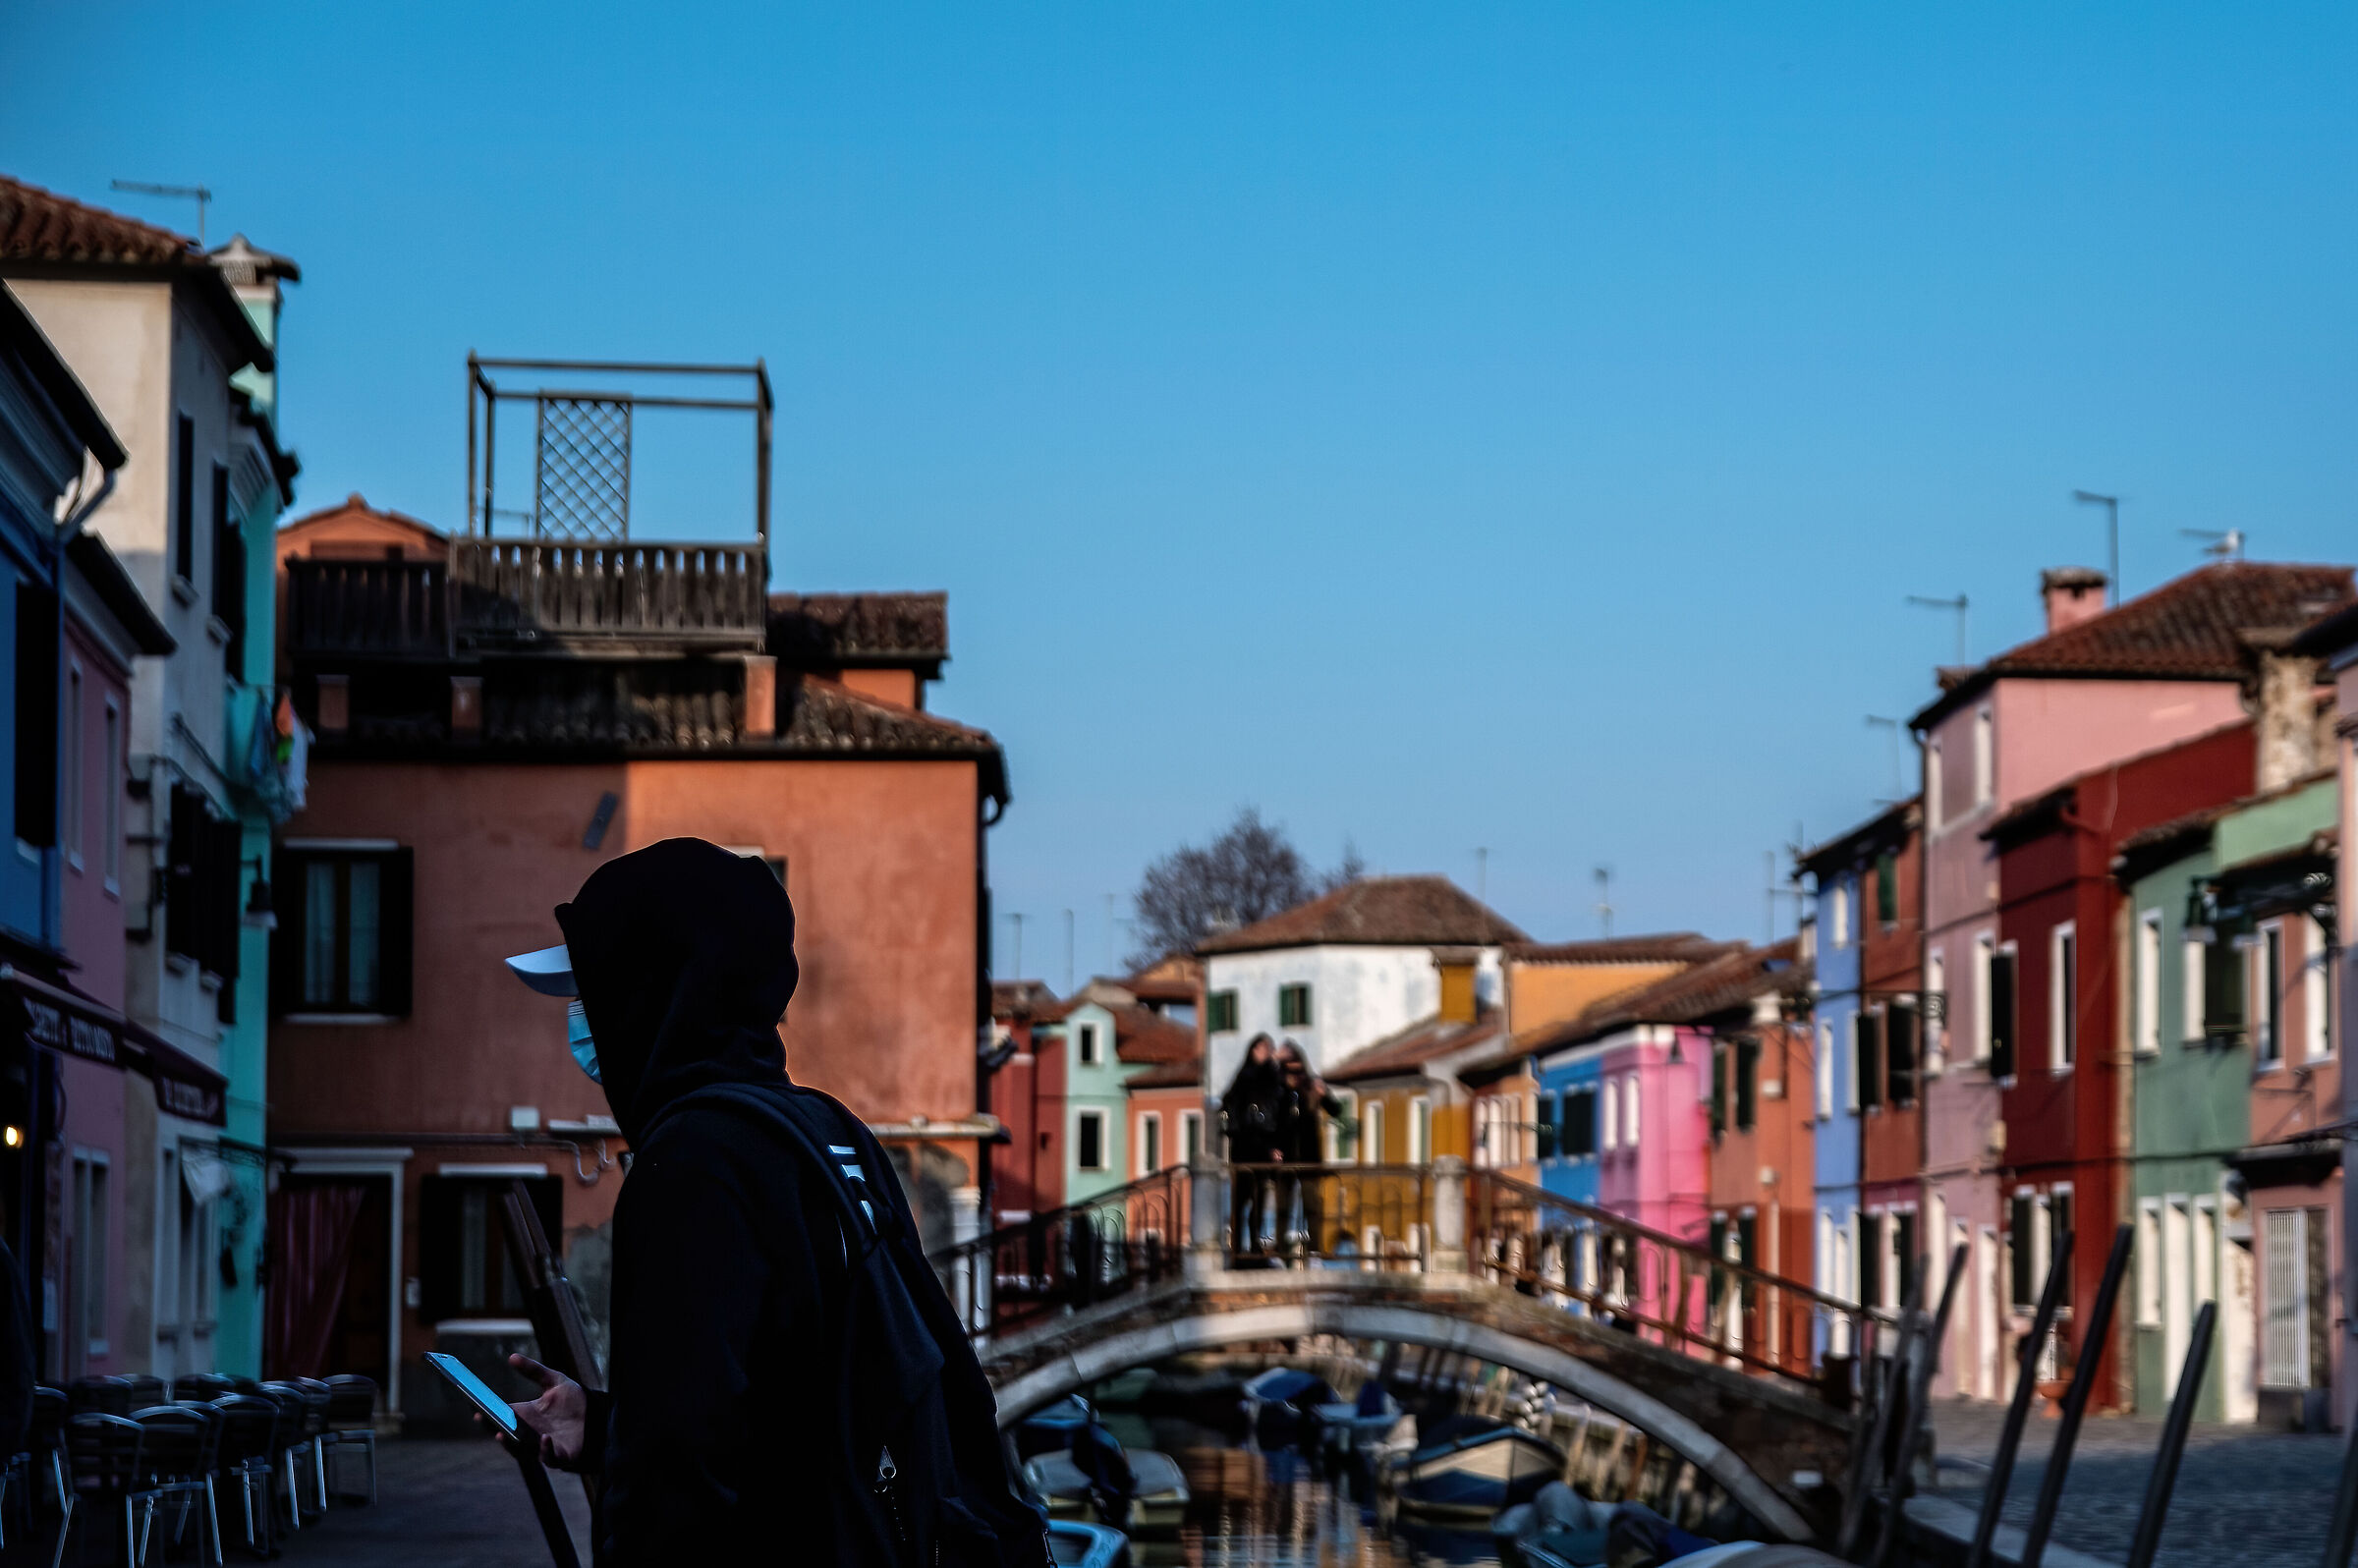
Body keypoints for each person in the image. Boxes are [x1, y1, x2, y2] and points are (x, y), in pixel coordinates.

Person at [494, 837, 1046, 1567]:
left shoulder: (692, 1161)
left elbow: (676, 1472)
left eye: (590, 994)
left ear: (650, 994)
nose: (581, 1018)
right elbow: (799, 1400)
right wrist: (603, 1427)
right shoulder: (827, 1129)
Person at [1273, 1041, 1342, 1260]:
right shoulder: (1277, 1089)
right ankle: (1282, 1253)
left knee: (1313, 1206)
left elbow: (1336, 1110)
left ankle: (1315, 1251)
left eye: (1297, 1068)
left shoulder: (1312, 1087)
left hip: (1309, 1156)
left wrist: (1324, 1096)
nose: (1294, 1074)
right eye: (1289, 1068)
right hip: (1283, 1157)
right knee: (1282, 1208)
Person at [1217, 1035, 1281, 1257]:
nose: (1265, 1052)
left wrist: (1276, 1145)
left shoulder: (1273, 1077)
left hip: (1264, 1144)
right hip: (1244, 1144)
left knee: (1260, 1196)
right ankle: (1237, 1246)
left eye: (1268, 1048)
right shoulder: (1244, 1076)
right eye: (1261, 1048)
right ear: (1253, 1050)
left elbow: (1278, 1111)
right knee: (1242, 1195)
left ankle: (1256, 1243)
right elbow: (1230, 1103)